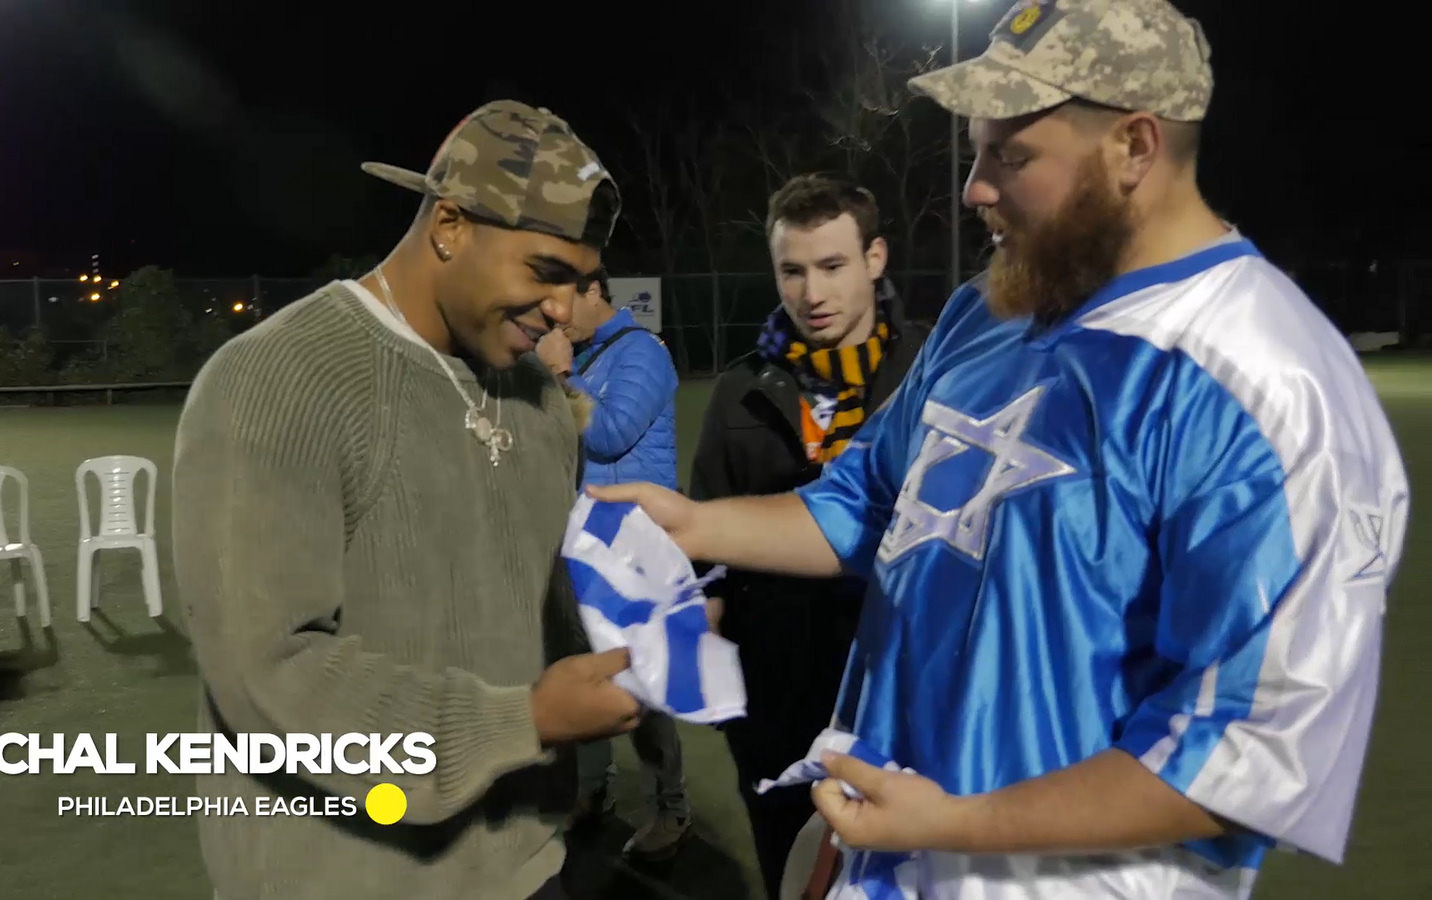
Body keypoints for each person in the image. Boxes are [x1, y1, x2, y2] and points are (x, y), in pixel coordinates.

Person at [591, 1, 1410, 896]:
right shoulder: (986, 309)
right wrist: (694, 524)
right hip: (886, 858)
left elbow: (1251, 752)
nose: (973, 188)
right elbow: (871, 500)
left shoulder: (1270, 383)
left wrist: (953, 826)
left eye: (1009, 156)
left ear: (1134, 147)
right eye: (976, 153)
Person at [172, 99, 643, 900]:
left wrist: (638, 632)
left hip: (527, 867)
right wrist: (523, 719)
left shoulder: (538, 398)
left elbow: (536, 614)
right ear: (450, 226)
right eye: (544, 272)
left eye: (579, 281)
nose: (565, 310)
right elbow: (269, 672)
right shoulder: (273, 379)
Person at [684, 173, 926, 896]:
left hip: (903, 692)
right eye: (792, 271)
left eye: (832, 265)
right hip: (777, 700)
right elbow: (707, 547)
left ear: (875, 258)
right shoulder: (740, 390)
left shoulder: (935, 374)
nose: (811, 292)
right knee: (791, 876)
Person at [536, 270, 690, 861]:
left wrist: (561, 374)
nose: (554, 315)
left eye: (563, 300)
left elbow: (610, 434)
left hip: (632, 547)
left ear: (595, 291)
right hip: (580, 545)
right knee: (578, 670)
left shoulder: (642, 352)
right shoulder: (585, 356)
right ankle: (592, 790)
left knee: (636, 683)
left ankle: (672, 808)